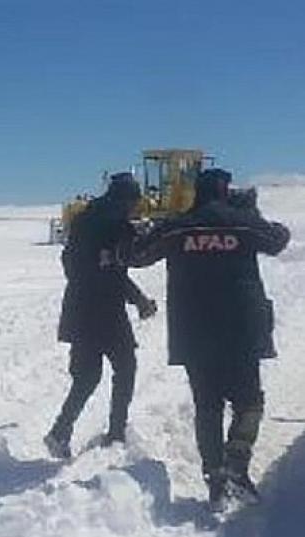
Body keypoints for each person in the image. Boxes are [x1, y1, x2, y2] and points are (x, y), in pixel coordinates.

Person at [117, 168, 290, 511]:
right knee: (249, 403)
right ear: (226, 190)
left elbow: (136, 256)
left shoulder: (179, 226)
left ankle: (214, 477)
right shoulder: (241, 222)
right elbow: (278, 240)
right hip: (241, 330)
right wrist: (251, 212)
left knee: (207, 407)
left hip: (195, 332)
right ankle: (237, 463)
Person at [44, 173, 157, 459]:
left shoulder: (82, 219)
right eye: (133, 202)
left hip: (78, 306)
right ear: (126, 199)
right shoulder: (118, 226)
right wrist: (141, 301)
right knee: (126, 367)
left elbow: (71, 263)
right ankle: (116, 433)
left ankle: (60, 431)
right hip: (106, 311)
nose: (134, 209)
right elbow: (123, 268)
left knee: (86, 376)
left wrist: (90, 277)